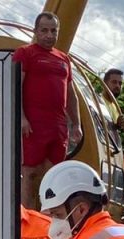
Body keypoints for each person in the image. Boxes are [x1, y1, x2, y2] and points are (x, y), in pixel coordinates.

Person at [14, 12, 82, 210]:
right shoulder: (25, 53)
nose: (49, 35)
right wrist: (21, 117)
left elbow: (71, 95)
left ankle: (46, 220)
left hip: (58, 126)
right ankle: (25, 219)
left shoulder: (64, 59)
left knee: (53, 175)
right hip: (33, 124)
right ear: (36, 31)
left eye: (53, 31)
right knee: (29, 172)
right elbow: (16, 86)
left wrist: (76, 124)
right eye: (44, 30)